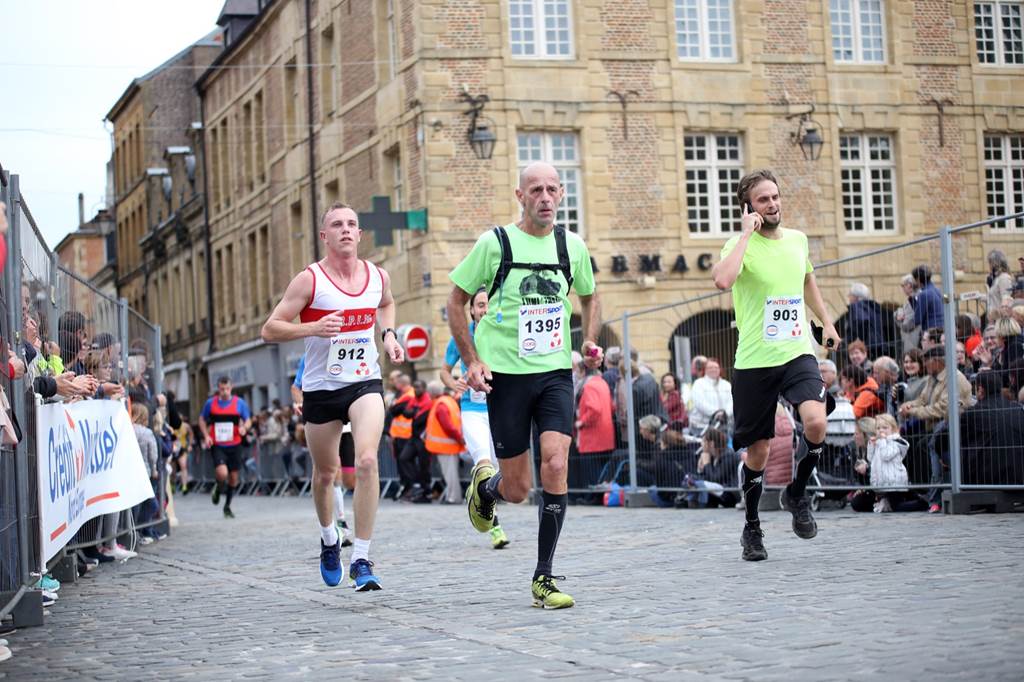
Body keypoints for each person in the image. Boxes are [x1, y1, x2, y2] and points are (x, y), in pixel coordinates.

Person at [447, 161, 602, 609]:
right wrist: (472, 361)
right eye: (536, 190)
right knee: (517, 490)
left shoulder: (572, 246)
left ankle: (544, 576)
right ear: (520, 196)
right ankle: (486, 490)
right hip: (507, 376)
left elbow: (590, 295)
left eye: (553, 189)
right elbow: (455, 302)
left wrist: (589, 340)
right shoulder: (494, 243)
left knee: (555, 462)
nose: (545, 197)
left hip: (554, 372)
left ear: (562, 194)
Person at [262, 202, 403, 589]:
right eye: (337, 224)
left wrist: (389, 335)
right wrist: (312, 328)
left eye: (351, 224)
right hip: (321, 388)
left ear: (359, 234)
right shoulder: (309, 281)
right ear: (324, 236)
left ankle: (361, 558)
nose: (345, 230)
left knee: (368, 460)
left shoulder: (377, 276)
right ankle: (329, 539)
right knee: (326, 474)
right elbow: (270, 329)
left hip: (364, 382)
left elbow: (387, 303)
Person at [711, 168, 840, 562]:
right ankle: (752, 526)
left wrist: (826, 321)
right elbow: (722, 280)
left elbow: (807, 280)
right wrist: (745, 236)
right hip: (755, 361)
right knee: (759, 451)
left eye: (775, 197)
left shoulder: (797, 240)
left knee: (816, 422)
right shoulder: (738, 245)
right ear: (748, 207)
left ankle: (797, 493)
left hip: (796, 352)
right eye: (763, 199)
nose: (772, 204)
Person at [440, 286, 510, 549]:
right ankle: (496, 529)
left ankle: (476, 494)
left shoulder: (503, 334)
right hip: (473, 410)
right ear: (471, 310)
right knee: (485, 467)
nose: (485, 309)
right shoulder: (461, 338)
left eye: (489, 304)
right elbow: (444, 371)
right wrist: (453, 383)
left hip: (499, 410)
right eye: (480, 305)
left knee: (497, 471)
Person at [898, 346, 973, 513]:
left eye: (927, 361)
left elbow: (942, 409)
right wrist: (909, 405)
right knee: (911, 443)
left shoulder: (954, 379)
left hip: (951, 428)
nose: (924, 364)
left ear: (937, 361)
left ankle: (932, 494)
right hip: (935, 426)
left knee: (925, 445)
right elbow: (923, 399)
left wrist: (913, 411)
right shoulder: (933, 378)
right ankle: (921, 491)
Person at [292, 355, 354, 545]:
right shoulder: (310, 355)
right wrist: (300, 403)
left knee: (349, 480)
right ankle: (339, 524)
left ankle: (339, 522)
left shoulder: (349, 346)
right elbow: (296, 387)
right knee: (331, 475)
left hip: (347, 427)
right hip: (325, 422)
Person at [198, 377, 252, 518]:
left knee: (233, 478)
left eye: (227, 389)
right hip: (218, 444)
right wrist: (206, 436)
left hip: (235, 444)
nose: (225, 392)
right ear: (218, 389)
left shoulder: (239, 403)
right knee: (222, 473)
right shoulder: (210, 403)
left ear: (231, 387)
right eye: (222, 389)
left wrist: (244, 428)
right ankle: (218, 487)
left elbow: (248, 420)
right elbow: (202, 419)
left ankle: (227, 506)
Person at [960, 371, 1024, 486]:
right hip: (1019, 477)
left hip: (986, 480)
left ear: (980, 389)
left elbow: (947, 440)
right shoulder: (1017, 409)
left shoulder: (973, 413)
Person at [423, 381, 465, 504]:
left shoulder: (440, 404)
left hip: (446, 446)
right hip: (450, 444)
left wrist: (459, 438)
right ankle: (452, 496)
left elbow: (448, 426)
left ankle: (454, 498)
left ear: (431, 393)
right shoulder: (449, 401)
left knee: (450, 474)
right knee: (451, 473)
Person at [684, 428, 740, 508]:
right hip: (720, 491)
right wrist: (700, 470)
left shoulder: (728, 455)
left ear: (711, 443)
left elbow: (716, 480)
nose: (701, 444)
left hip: (731, 494)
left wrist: (707, 464)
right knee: (692, 480)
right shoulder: (712, 456)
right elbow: (707, 478)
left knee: (699, 484)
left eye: (704, 441)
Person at [387, 373, 415, 495]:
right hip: (401, 434)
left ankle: (409, 488)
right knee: (403, 462)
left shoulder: (407, 396)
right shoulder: (407, 395)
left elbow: (393, 410)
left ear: (400, 384)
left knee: (404, 463)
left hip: (404, 435)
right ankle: (407, 488)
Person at [688, 357, 732, 434]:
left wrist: (725, 414)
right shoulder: (698, 383)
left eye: (716, 367)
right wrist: (716, 413)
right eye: (710, 368)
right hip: (702, 426)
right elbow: (700, 403)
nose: (713, 370)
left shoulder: (727, 384)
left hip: (724, 425)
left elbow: (732, 402)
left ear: (720, 369)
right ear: (705, 370)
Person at [846, 282, 884, 357]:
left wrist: (859, 338)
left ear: (856, 297)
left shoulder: (857, 306)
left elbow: (861, 321)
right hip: (878, 343)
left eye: (850, 295)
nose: (849, 297)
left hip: (866, 345)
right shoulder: (872, 306)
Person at [910, 265, 944, 332]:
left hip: (931, 331)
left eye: (913, 279)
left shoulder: (923, 294)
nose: (913, 282)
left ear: (918, 279)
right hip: (942, 328)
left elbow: (917, 319)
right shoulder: (938, 290)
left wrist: (904, 326)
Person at [895, 274, 921, 354]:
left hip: (913, 339)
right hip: (911, 338)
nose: (902, 288)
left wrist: (898, 319)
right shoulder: (911, 298)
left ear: (909, 285)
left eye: (903, 285)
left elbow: (907, 324)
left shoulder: (915, 298)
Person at [987, 249, 1014, 321]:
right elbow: (993, 297)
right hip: (994, 319)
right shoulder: (997, 279)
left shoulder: (1004, 278)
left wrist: (1000, 316)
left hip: (1000, 319)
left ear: (995, 264)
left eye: (990, 263)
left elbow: (1006, 299)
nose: (989, 266)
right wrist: (978, 296)